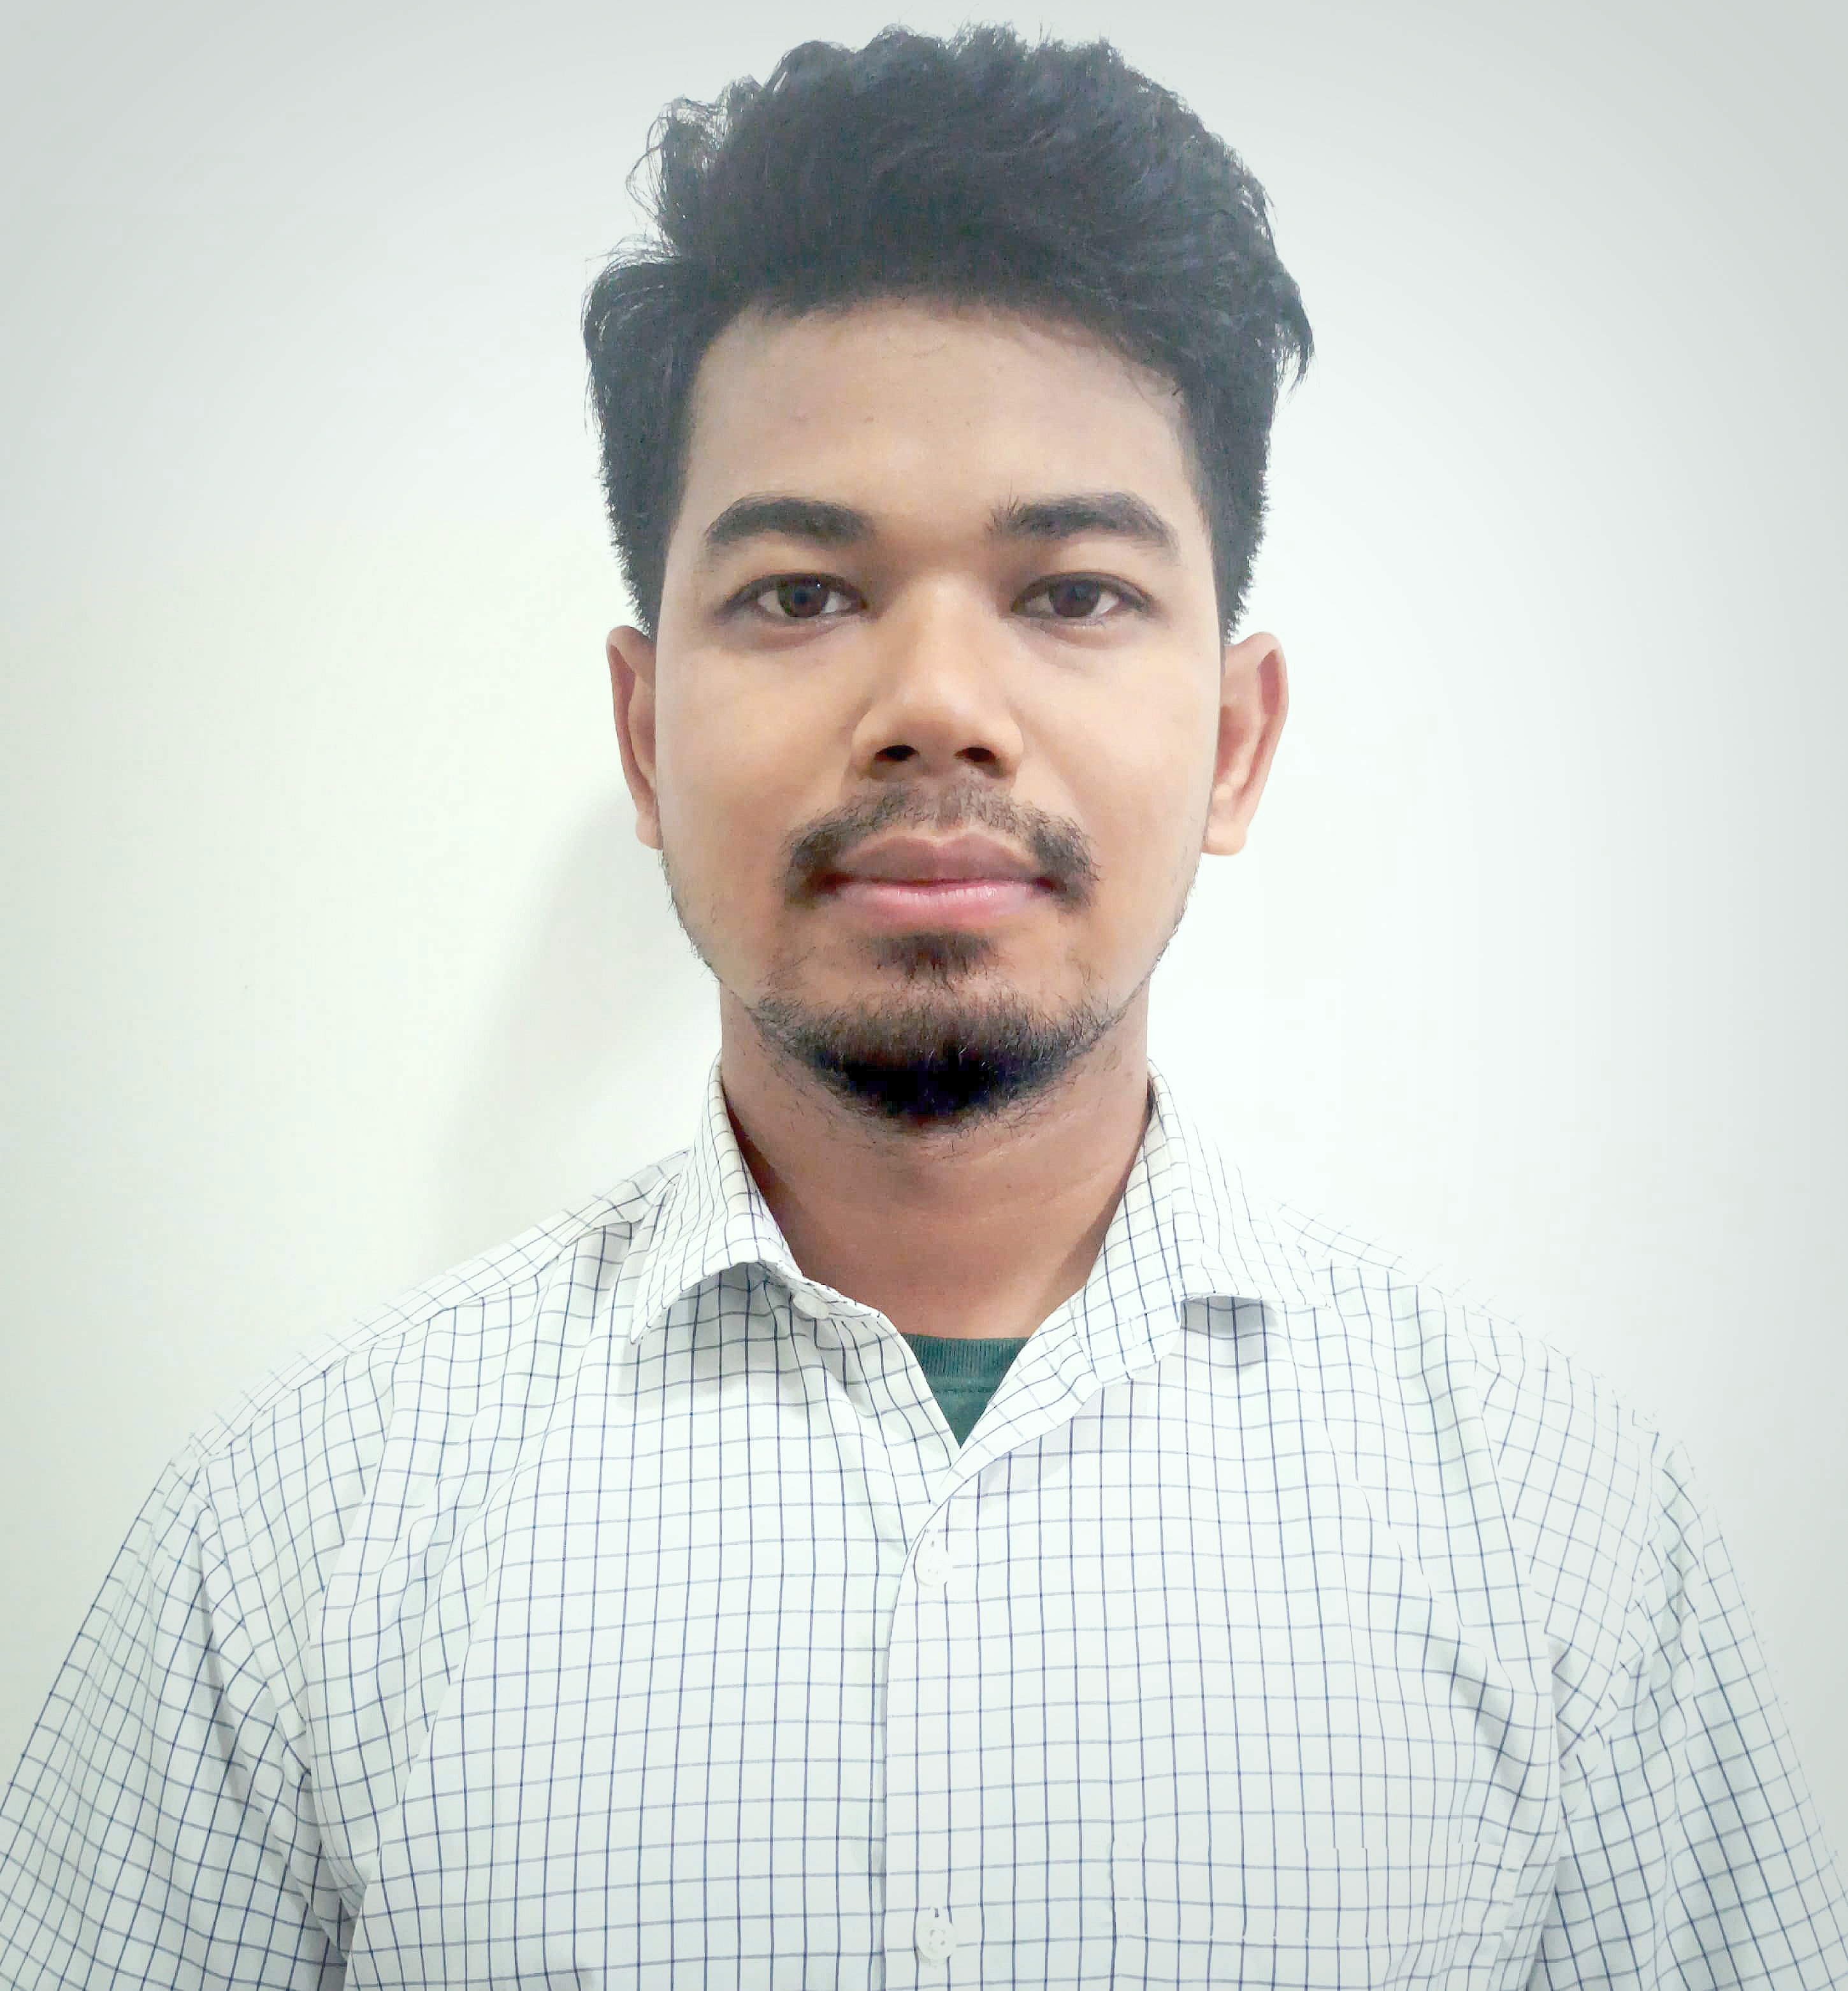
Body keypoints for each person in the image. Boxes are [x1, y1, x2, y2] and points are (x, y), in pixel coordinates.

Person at [1, 22, 1842, 1988]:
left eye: (1071, 592)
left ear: (1233, 741)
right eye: (801, 592)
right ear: (644, 733)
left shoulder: (1563, 1534)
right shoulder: (289, 1542)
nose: (938, 704)